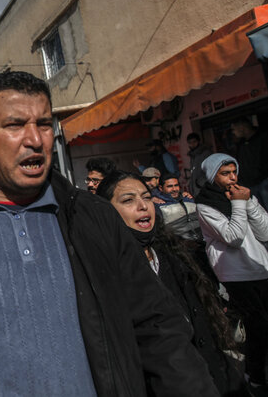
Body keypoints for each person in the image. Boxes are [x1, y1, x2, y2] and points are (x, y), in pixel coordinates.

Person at [0, 71, 217, 396]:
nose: (35, 139)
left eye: (43, 124)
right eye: (14, 125)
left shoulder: (93, 218)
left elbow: (158, 328)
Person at [97, 170, 247, 396]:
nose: (142, 206)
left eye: (146, 197)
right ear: (106, 211)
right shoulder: (107, 271)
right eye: (128, 200)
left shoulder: (171, 254)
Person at [196, 153, 268, 390]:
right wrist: (238, 204)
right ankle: (254, 376)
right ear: (212, 176)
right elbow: (233, 237)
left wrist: (247, 201)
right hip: (235, 273)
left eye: (233, 171)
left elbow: (265, 232)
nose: (232, 178)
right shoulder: (205, 204)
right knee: (257, 324)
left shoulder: (243, 194)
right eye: (225, 173)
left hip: (260, 266)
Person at [230, 117, 268, 208]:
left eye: (234, 129)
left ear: (242, 127)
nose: (233, 132)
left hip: (264, 181)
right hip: (249, 185)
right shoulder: (241, 144)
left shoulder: (263, 138)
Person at [153, 173, 202, 242]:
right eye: (170, 186)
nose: (174, 189)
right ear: (161, 188)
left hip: (201, 241)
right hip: (180, 246)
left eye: (176, 185)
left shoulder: (188, 198)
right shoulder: (158, 206)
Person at [187, 132, 212, 197]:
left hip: (205, 189)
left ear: (198, 141)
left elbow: (210, 170)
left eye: (194, 142)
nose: (192, 144)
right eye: (190, 142)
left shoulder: (205, 154)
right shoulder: (193, 156)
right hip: (197, 190)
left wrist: (200, 183)